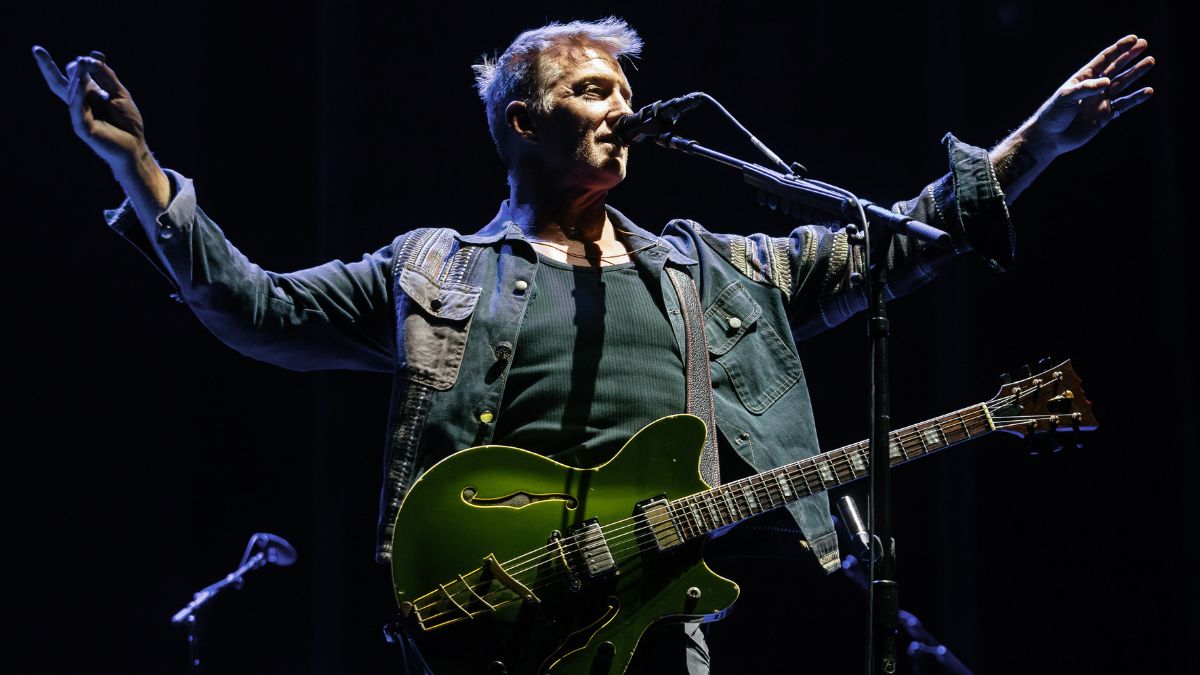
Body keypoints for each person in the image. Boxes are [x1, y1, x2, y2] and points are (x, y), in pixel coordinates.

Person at [33, 17, 1153, 674]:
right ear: (522, 123)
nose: (620, 106)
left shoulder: (718, 273)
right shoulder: (435, 272)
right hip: (496, 626)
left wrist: (1032, 146)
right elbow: (259, 309)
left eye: (626, 90)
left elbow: (888, 249)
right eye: (588, 88)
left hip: (654, 642)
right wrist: (140, 171)